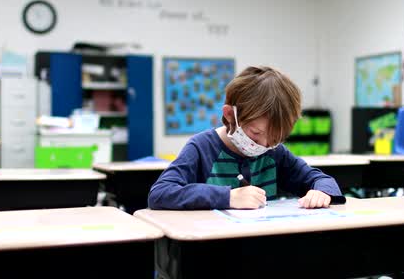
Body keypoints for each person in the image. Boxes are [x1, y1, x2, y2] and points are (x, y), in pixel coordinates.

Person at [148, 66, 346, 210]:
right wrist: (227, 197)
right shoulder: (201, 147)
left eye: (276, 138)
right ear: (229, 115)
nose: (264, 145)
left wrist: (321, 192)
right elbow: (160, 194)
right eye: (256, 133)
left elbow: (320, 179)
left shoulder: (274, 152)